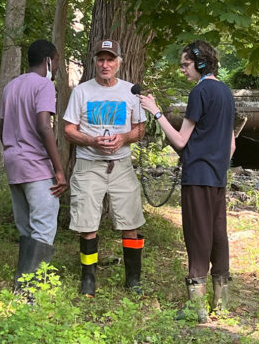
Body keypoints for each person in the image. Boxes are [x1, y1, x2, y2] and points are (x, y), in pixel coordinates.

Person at [139, 40, 235, 322]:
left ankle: (196, 306)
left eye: (185, 64)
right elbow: (231, 146)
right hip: (218, 176)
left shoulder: (200, 92)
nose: (182, 70)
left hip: (197, 176)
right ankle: (222, 302)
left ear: (200, 64)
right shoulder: (227, 93)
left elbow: (181, 140)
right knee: (218, 235)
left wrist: (156, 112)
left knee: (197, 236)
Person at [63, 39, 146, 296]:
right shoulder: (82, 91)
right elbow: (68, 129)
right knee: (88, 224)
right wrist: (91, 141)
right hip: (89, 164)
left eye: (110, 59)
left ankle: (133, 280)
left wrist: (123, 138)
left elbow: (140, 128)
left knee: (130, 221)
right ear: (95, 62)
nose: (105, 64)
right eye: (101, 59)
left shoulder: (130, 91)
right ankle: (88, 279)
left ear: (119, 62)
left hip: (121, 165)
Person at [0, 39, 68, 299]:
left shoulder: (11, 86)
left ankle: (22, 284)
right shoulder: (44, 84)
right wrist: (58, 169)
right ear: (49, 60)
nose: (57, 66)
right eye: (57, 61)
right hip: (36, 165)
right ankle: (29, 291)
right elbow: (43, 125)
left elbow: (1, 127)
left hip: (13, 163)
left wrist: (11, 150)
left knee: (26, 226)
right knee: (44, 225)